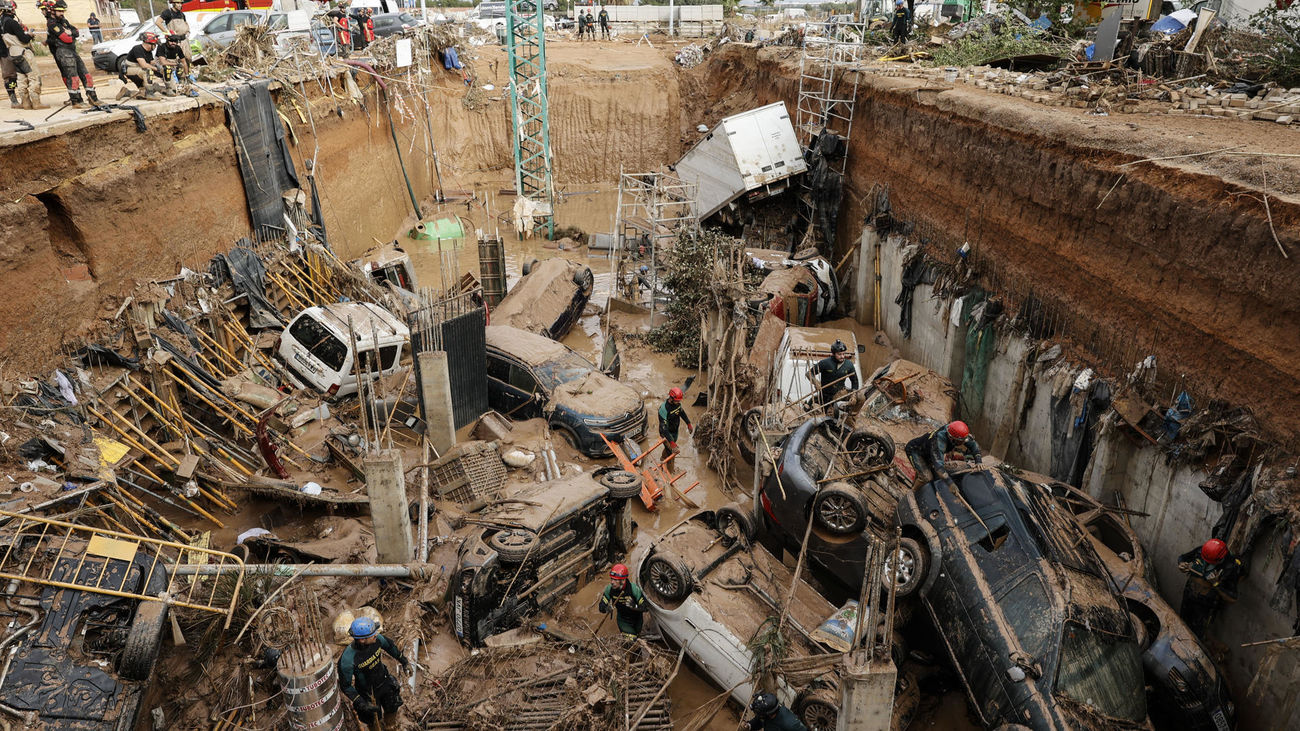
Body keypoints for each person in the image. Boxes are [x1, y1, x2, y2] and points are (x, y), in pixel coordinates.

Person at [338, 616, 409, 731]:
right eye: (372, 633)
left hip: (384, 682)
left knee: (392, 708)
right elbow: (345, 686)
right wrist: (360, 702)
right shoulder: (347, 659)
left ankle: (391, 727)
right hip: (367, 694)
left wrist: (404, 661)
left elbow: (390, 647)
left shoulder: (377, 640)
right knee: (374, 723)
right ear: (362, 640)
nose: (376, 634)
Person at [1177, 538, 1243, 638]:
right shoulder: (1202, 551)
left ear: (1221, 559)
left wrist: (1216, 584)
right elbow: (1183, 557)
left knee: (1197, 633)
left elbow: (1232, 598)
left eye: (1211, 562)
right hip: (1189, 595)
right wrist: (1181, 564)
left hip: (1205, 605)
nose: (1207, 563)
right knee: (1181, 622)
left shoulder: (1231, 567)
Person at [46, 0, 97, 107]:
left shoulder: (64, 21)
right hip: (63, 51)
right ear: (53, 11)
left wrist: (71, 33)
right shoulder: (52, 23)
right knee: (72, 77)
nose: (62, 13)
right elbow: (66, 38)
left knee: (86, 74)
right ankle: (76, 101)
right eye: (59, 11)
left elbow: (76, 32)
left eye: (63, 11)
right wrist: (69, 33)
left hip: (72, 50)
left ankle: (93, 98)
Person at [903, 420, 983, 488]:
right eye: (960, 441)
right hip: (915, 451)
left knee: (924, 471)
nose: (963, 443)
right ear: (951, 438)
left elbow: (973, 445)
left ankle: (916, 485)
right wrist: (950, 484)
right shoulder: (939, 441)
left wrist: (978, 461)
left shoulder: (957, 432)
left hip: (928, 452)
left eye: (963, 440)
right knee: (927, 478)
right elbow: (938, 466)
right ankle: (912, 494)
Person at [1, 0, 45, 109]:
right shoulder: (11, 22)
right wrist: (29, 35)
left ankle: (24, 102)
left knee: (19, 77)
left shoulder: (2, 21)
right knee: (32, 75)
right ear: (10, 9)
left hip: (11, 52)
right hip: (15, 51)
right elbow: (23, 39)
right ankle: (35, 102)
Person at [598, 563, 649, 638]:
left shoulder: (634, 589)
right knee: (631, 640)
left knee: (638, 634)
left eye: (615, 580)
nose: (612, 582)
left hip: (637, 619)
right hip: (623, 620)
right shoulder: (609, 589)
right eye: (611, 579)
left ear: (623, 580)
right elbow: (601, 606)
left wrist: (634, 606)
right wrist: (606, 608)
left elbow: (645, 607)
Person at [806, 339, 858, 408]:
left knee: (860, 398)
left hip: (840, 395)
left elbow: (855, 381)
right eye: (839, 354)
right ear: (833, 354)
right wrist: (816, 382)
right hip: (825, 396)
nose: (842, 356)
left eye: (843, 354)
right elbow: (809, 373)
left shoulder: (849, 365)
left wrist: (853, 395)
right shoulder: (825, 363)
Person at [657, 386, 693, 475]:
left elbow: (682, 413)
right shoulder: (663, 409)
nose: (678, 402)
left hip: (674, 431)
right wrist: (672, 443)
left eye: (679, 401)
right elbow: (664, 428)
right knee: (672, 453)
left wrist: (688, 423)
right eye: (677, 400)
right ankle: (671, 473)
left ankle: (662, 459)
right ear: (671, 398)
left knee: (668, 449)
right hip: (666, 433)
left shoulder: (677, 404)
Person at [118, 31, 162, 100]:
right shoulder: (137, 49)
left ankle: (127, 92)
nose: (155, 46)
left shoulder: (149, 51)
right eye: (155, 44)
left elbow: (151, 62)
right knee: (148, 71)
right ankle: (150, 94)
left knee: (143, 94)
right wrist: (157, 69)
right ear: (149, 43)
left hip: (138, 70)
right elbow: (144, 65)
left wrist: (160, 65)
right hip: (130, 69)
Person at [159, 0, 192, 64]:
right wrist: (167, 33)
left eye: (181, 3)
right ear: (173, 3)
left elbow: (186, 23)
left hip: (184, 40)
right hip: (175, 41)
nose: (180, 5)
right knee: (177, 61)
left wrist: (187, 31)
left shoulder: (182, 14)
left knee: (188, 58)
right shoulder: (167, 12)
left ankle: (187, 73)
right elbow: (158, 22)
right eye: (178, 3)